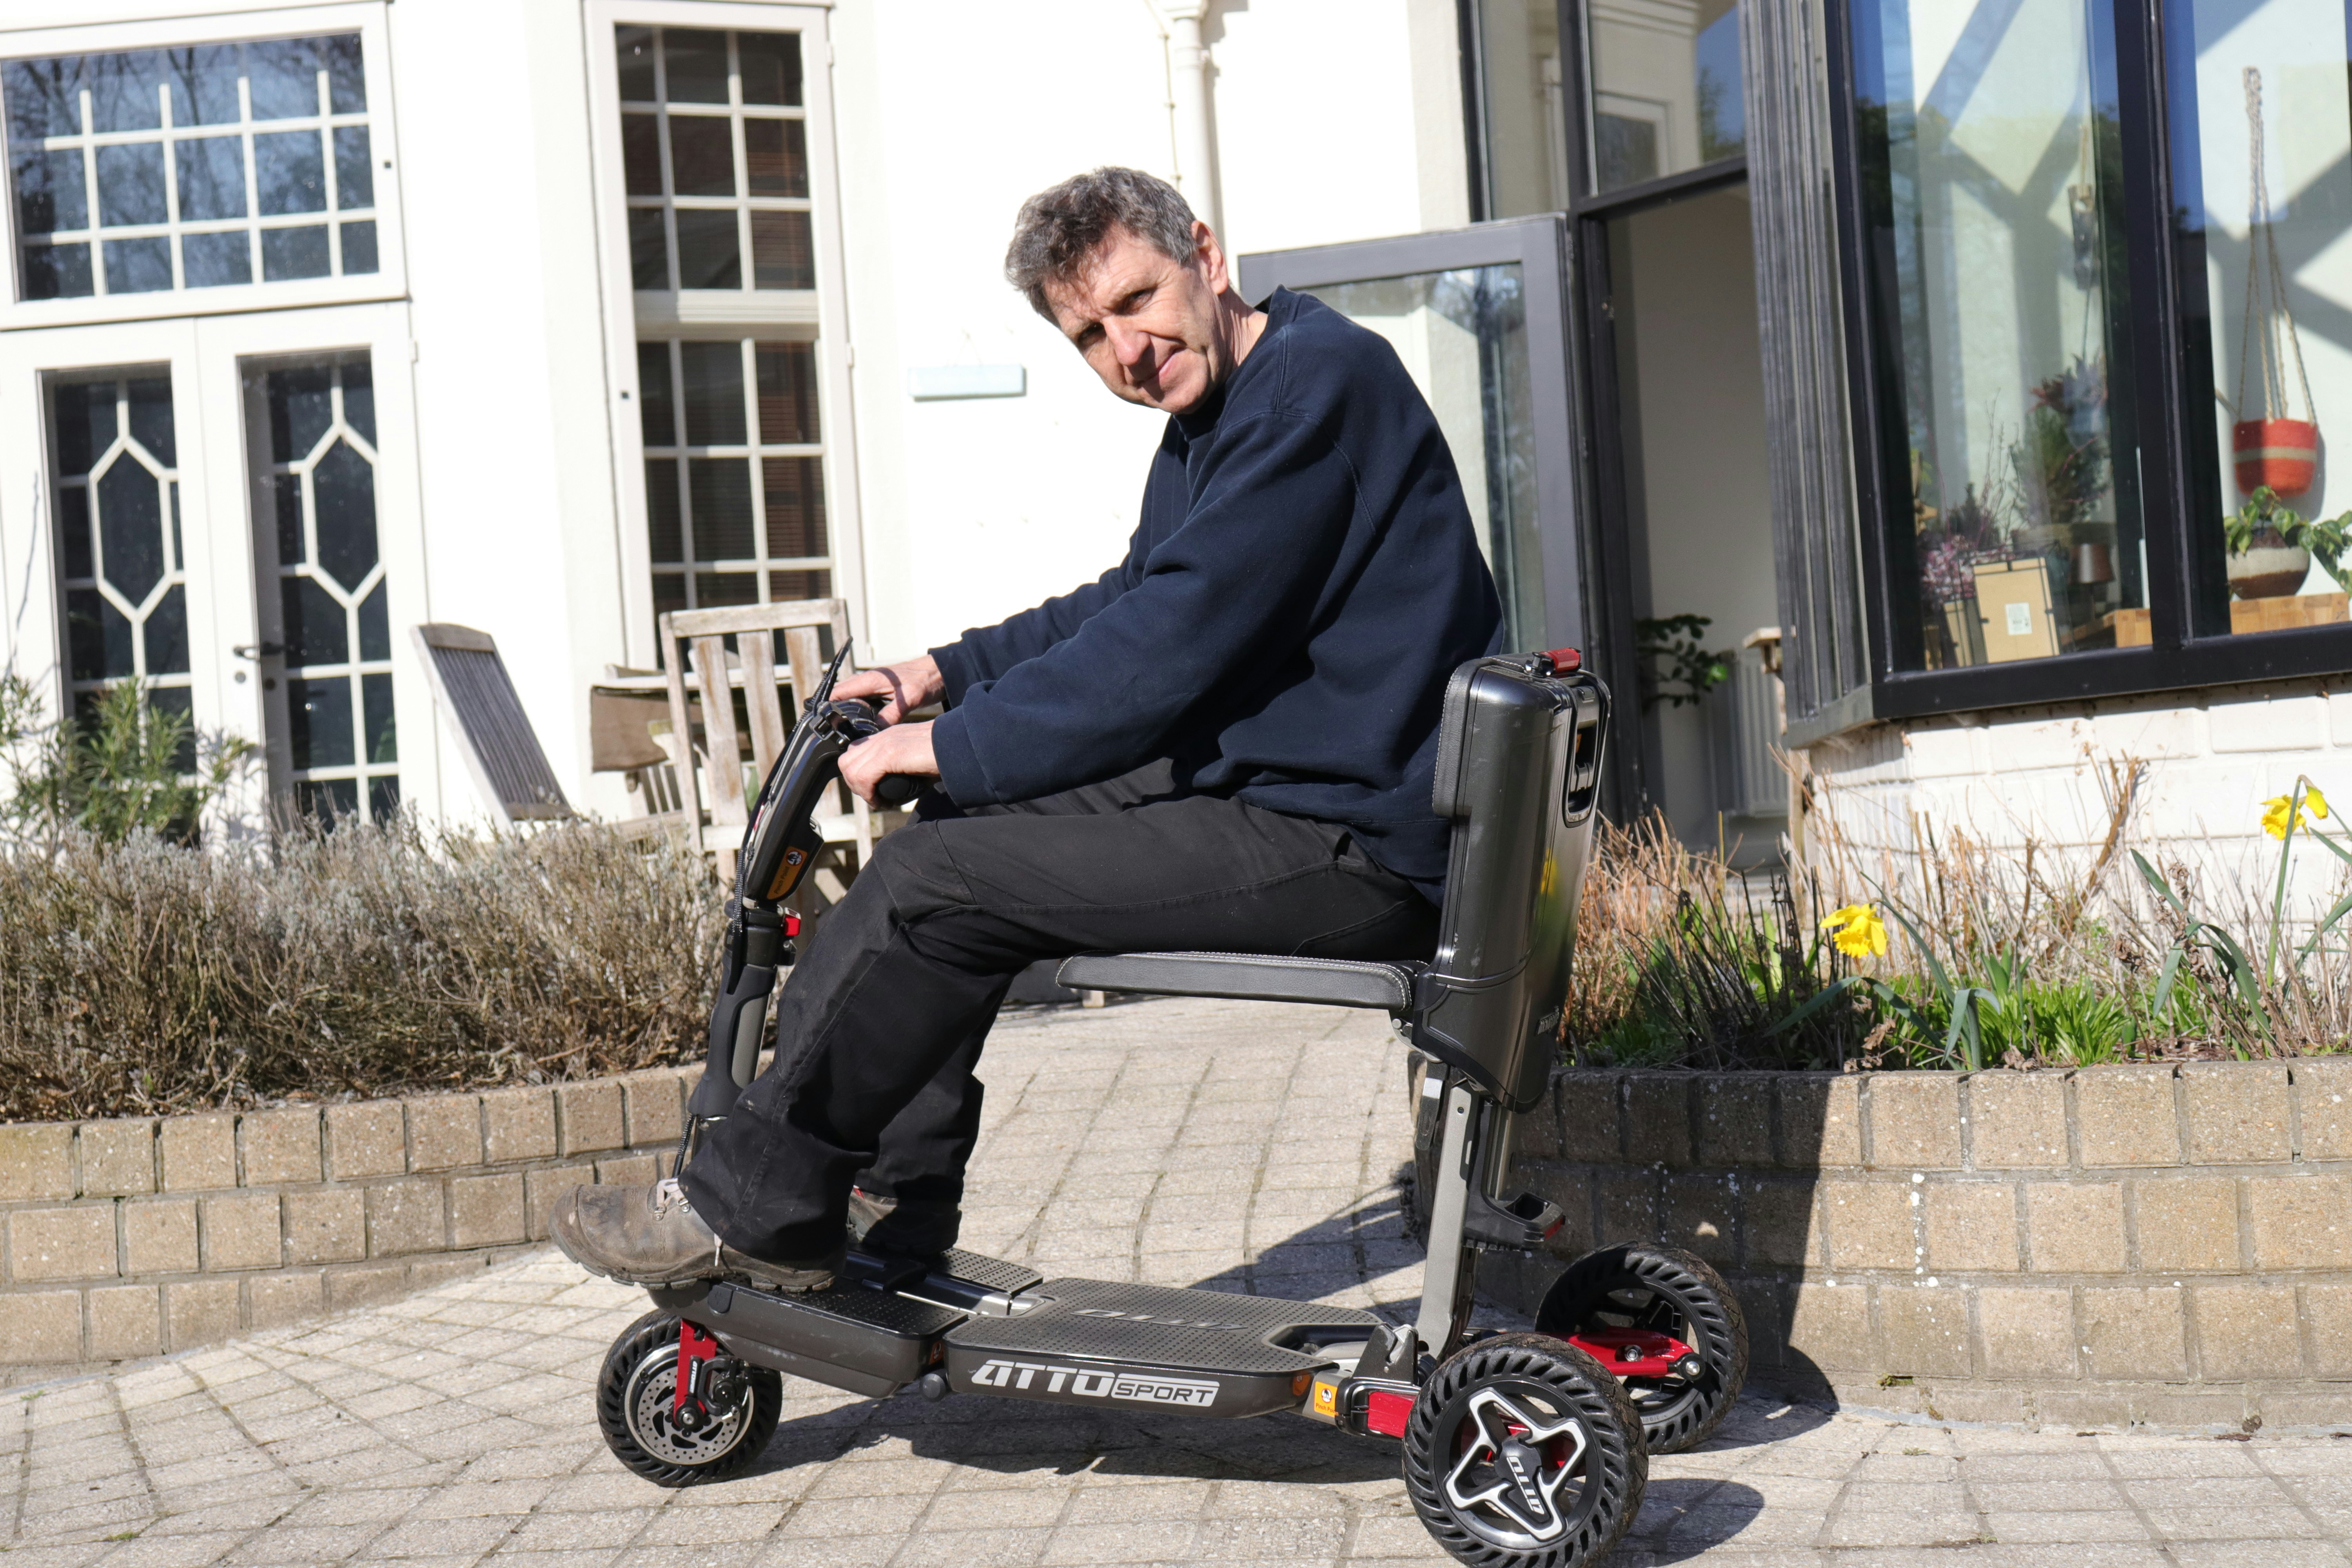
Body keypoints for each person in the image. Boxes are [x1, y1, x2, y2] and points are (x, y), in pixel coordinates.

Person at [551, 167, 1502, 1291]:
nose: (1129, 351)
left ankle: (749, 1204)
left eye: (1138, 300)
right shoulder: (1230, 407)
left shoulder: (1312, 389)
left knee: (935, 881)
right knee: (954, 832)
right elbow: (1135, 595)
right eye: (1091, 336)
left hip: (1353, 843)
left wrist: (952, 742)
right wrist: (946, 674)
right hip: (1297, 795)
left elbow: (1170, 643)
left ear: (1205, 254)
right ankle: (888, 1202)